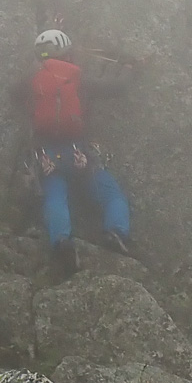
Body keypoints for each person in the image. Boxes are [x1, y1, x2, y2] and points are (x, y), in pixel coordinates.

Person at [17, 28, 131, 278]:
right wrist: (130, 69)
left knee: (55, 198)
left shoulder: (33, 80)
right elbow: (117, 88)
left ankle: (62, 243)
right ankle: (115, 231)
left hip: (46, 156)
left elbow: (12, 92)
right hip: (78, 153)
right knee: (112, 195)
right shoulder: (79, 79)